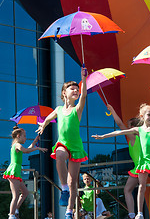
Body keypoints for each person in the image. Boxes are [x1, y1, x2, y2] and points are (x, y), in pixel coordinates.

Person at [92, 103, 150, 219]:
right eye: (149, 115)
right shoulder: (138, 133)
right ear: (142, 117)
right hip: (143, 165)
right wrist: (103, 136)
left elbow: (121, 127)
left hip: (149, 163)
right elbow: (149, 143)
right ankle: (140, 213)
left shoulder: (135, 135)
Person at [36, 67, 88, 219]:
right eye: (72, 88)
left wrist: (83, 78)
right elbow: (47, 118)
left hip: (76, 146)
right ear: (64, 93)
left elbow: (84, 95)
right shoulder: (58, 109)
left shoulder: (76, 109)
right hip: (63, 143)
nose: (76, 91)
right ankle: (63, 188)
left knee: (73, 183)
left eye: (77, 89)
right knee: (59, 154)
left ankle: (69, 211)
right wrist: (42, 125)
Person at [4, 126, 47, 219]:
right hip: (13, 171)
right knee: (15, 196)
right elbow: (27, 150)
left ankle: (15, 209)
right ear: (19, 136)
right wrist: (38, 148)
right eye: (24, 136)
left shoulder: (18, 145)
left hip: (16, 172)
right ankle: (11, 215)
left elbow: (27, 150)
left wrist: (35, 142)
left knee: (25, 192)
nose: (25, 138)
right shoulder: (17, 145)